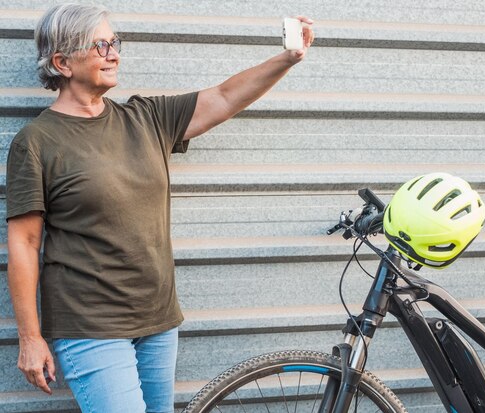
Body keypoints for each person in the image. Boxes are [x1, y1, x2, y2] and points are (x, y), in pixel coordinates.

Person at [6, 3, 314, 412]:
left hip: (158, 320)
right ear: (62, 62)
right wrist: (30, 337)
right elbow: (24, 244)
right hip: (91, 326)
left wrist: (287, 59)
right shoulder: (37, 141)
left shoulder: (145, 117)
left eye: (114, 42)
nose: (114, 53)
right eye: (100, 45)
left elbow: (223, 96)